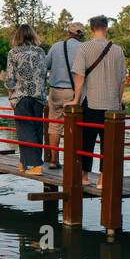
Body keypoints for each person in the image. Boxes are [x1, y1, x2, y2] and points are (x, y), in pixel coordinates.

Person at [70, 15, 126, 187]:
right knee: (108, 144)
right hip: (112, 105)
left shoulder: (84, 48)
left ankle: (84, 176)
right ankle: (103, 178)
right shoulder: (118, 50)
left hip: (91, 101)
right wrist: (118, 101)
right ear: (106, 28)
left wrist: (75, 100)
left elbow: (79, 78)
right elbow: (122, 80)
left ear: (91, 29)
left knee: (87, 141)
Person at [3, 24, 48, 174]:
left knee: (24, 131)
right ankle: (24, 163)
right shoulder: (41, 52)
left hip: (21, 96)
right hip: (38, 96)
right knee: (36, 130)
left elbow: (10, 78)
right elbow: (43, 74)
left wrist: (10, 96)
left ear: (18, 36)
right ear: (32, 35)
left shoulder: (13, 53)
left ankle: (36, 165)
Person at [43, 21, 84, 167]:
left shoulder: (56, 46)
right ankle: (72, 161)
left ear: (68, 32)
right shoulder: (83, 48)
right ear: (82, 34)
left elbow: (46, 66)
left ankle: (53, 160)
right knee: (74, 125)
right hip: (74, 93)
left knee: (54, 125)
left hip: (55, 91)